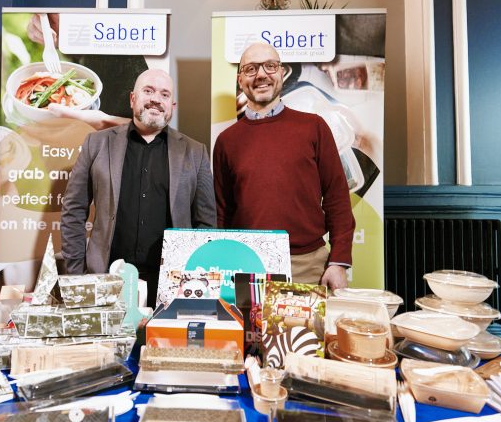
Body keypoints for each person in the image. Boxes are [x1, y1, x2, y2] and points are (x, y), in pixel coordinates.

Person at [61, 69, 216, 305]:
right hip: (105, 280)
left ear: (172, 106)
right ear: (133, 99)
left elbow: (206, 224)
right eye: (148, 91)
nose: (156, 99)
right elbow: (73, 210)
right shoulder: (97, 143)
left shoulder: (196, 153)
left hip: (171, 288)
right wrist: (77, 275)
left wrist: (196, 282)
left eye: (164, 95)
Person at [212, 43, 355, 290]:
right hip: (247, 266)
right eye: (251, 69)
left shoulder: (314, 127)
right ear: (240, 79)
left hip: (307, 266)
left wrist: (339, 262)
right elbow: (222, 211)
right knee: (247, 331)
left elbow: (337, 197)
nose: (261, 75)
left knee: (308, 331)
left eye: (269, 66)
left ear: (280, 73)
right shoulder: (227, 141)